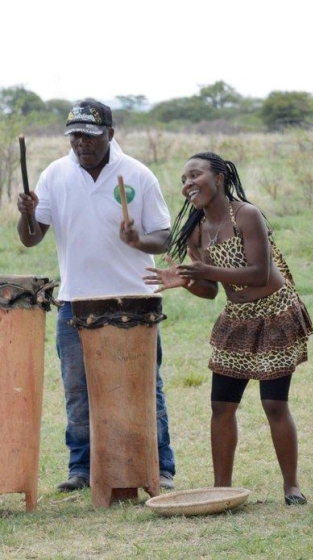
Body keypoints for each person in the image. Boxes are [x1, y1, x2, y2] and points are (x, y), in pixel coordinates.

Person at [16, 99, 176, 492]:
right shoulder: (55, 174)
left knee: (143, 386)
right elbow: (31, 238)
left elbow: (164, 236)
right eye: (75, 136)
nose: (82, 143)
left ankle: (160, 465)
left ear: (110, 133)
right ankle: (82, 468)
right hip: (76, 300)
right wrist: (26, 213)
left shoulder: (137, 174)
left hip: (132, 300)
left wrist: (138, 240)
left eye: (90, 135)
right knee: (78, 390)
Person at [144, 152, 313, 506]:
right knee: (221, 405)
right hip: (237, 318)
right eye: (183, 179)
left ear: (219, 178)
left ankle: (292, 487)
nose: (188, 184)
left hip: (275, 314)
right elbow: (209, 291)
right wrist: (187, 281)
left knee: (274, 404)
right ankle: (222, 489)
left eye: (195, 175)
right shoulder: (196, 231)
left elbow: (260, 274)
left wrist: (206, 272)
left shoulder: (246, 215)